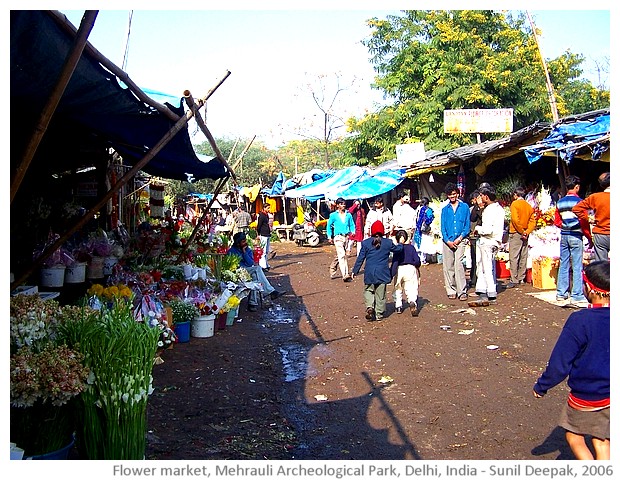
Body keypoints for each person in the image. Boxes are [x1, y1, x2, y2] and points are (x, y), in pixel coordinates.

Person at [533, 260, 610, 460]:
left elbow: (560, 363)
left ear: (591, 289)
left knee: (574, 436)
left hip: (588, 394)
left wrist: (542, 386)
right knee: (601, 439)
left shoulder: (580, 320)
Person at [352, 221, 403, 322]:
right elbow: (398, 249)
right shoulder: (388, 243)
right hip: (382, 272)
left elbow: (360, 258)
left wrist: (355, 271)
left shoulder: (366, 243)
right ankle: (379, 314)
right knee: (381, 294)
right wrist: (401, 243)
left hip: (370, 272)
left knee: (368, 290)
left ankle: (370, 306)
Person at [553, 175, 588, 306]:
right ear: (577, 187)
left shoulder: (560, 202)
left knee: (564, 263)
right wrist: (588, 236)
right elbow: (584, 221)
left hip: (564, 235)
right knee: (577, 265)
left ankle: (561, 293)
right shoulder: (580, 202)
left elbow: (557, 221)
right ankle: (577, 294)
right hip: (576, 235)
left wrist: (565, 225)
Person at [227, 232, 284, 312]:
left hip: (247, 271)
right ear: (238, 243)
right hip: (237, 273)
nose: (245, 243)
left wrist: (244, 253)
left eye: (245, 241)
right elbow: (232, 265)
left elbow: (250, 263)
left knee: (254, 276)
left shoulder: (248, 250)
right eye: (243, 241)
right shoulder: (231, 251)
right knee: (257, 269)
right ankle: (270, 292)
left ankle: (252, 303)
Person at [470, 185, 505, 305]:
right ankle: (484, 291)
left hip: (487, 241)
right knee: (486, 266)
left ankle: (490, 293)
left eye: (481, 195)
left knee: (486, 267)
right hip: (494, 241)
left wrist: (478, 229)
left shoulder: (489, 210)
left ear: (486, 196)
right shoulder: (499, 208)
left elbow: (487, 229)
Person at [440, 183, 470, 301]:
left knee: (458, 265)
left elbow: (467, 225)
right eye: (450, 195)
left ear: (457, 194)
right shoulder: (444, 210)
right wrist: (448, 241)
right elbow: (443, 227)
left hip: (460, 240)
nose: (452, 196)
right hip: (448, 240)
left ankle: (461, 291)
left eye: (454, 194)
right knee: (448, 266)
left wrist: (460, 238)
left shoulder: (465, 207)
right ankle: (451, 290)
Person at [573, 172, 610, 262]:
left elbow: (576, 208)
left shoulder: (595, 197)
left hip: (600, 234)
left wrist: (588, 219)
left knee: (601, 264)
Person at [505, 186, 536, 288]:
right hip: (525, 234)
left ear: (515, 195)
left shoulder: (515, 204)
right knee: (523, 255)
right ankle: (521, 277)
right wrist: (527, 232)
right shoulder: (528, 205)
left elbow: (515, 219)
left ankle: (514, 279)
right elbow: (533, 221)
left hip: (516, 233)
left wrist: (521, 231)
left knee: (514, 256)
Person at [390, 230, 421, 316]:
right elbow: (417, 260)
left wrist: (392, 273)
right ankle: (412, 301)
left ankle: (398, 305)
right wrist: (416, 265)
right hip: (410, 268)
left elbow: (395, 262)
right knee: (411, 287)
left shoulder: (397, 249)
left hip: (399, 269)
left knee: (398, 287)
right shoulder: (411, 248)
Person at [327, 197, 356, 282]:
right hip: (338, 237)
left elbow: (352, 225)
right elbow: (329, 226)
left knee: (341, 255)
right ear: (338, 205)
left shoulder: (348, 215)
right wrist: (329, 236)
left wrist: (353, 231)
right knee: (342, 254)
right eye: (341, 204)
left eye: (344, 204)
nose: (343, 205)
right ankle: (345, 274)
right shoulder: (333, 215)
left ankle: (333, 267)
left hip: (346, 237)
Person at [467, 190, 484, 289]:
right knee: (475, 259)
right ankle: (474, 279)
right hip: (474, 237)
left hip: (482, 236)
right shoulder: (472, 209)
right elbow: (472, 219)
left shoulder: (487, 208)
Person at [413, 197, 435, 264]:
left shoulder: (418, 209)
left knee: (418, 244)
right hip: (424, 229)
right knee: (424, 244)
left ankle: (419, 259)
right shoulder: (428, 210)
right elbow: (430, 219)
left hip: (417, 229)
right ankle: (423, 260)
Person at [256, 203, 273, 271]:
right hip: (263, 234)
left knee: (266, 251)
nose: (269, 209)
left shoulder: (266, 215)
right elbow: (259, 225)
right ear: (264, 208)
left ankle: (266, 264)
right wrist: (258, 233)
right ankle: (263, 266)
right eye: (268, 208)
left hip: (267, 233)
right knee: (263, 251)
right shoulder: (261, 215)